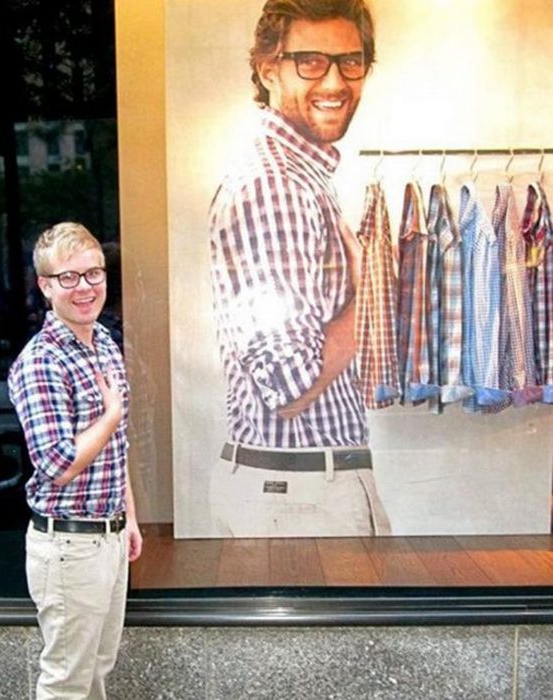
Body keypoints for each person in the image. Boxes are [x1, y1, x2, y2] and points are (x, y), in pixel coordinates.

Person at [208, 0, 390, 537]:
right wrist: (370, 291)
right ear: (268, 70)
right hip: (300, 499)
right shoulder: (275, 185)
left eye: (350, 62)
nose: (334, 81)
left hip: (302, 493)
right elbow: (289, 386)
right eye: (310, 61)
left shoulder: (301, 176)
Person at [8, 222, 142, 699]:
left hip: (107, 536)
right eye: (68, 277)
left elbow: (117, 444)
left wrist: (130, 517)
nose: (84, 287)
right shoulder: (41, 361)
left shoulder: (102, 341)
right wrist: (110, 415)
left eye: (93, 274)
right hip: (68, 546)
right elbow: (59, 463)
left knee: (96, 671)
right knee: (66, 682)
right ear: (45, 286)